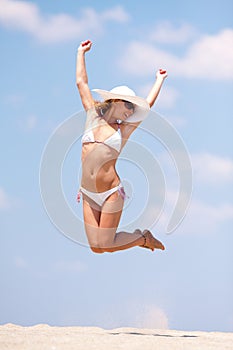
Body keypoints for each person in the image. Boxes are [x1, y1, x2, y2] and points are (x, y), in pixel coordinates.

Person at [76, 39, 167, 254]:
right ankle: (142, 238)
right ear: (115, 101)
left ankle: (143, 238)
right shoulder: (92, 116)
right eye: (128, 105)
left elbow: (149, 105)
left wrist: (159, 80)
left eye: (132, 107)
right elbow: (81, 82)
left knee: (106, 244)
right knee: (96, 248)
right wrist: (81, 53)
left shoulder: (122, 131)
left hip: (110, 193)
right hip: (88, 192)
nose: (130, 110)